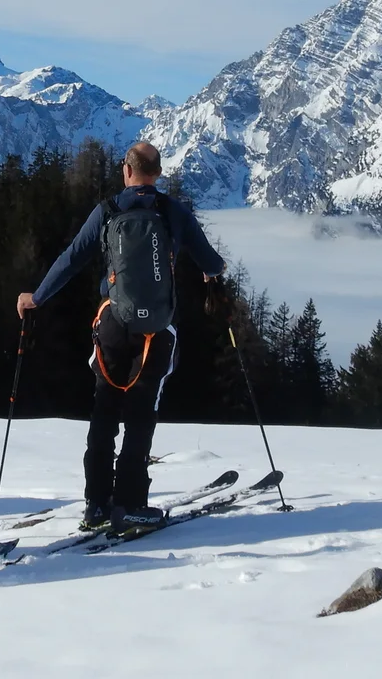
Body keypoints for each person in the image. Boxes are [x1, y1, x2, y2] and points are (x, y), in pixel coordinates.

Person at [16, 142, 225, 531]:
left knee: (104, 413)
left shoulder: (107, 211)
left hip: (111, 324)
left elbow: (71, 259)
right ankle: (129, 504)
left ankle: (96, 504)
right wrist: (211, 273)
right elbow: (212, 262)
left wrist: (37, 297)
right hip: (157, 332)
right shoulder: (174, 212)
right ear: (158, 173)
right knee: (141, 416)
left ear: (126, 171)